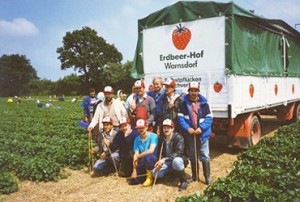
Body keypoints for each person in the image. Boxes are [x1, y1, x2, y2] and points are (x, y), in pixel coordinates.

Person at [178, 82, 213, 185]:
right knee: (193, 155)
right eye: (191, 90)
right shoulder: (183, 104)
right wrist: (187, 128)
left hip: (203, 134)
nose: (193, 92)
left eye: (195, 90)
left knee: (204, 155)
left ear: (198, 91)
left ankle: (207, 177)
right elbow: (180, 118)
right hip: (190, 134)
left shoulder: (205, 104)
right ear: (188, 91)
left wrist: (201, 128)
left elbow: (209, 118)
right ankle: (195, 176)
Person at [152, 119, 188, 191]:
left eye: (168, 127)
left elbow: (179, 152)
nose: (166, 129)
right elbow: (160, 153)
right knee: (155, 173)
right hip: (167, 161)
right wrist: (159, 161)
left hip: (178, 159)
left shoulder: (179, 138)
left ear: (172, 128)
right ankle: (173, 173)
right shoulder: (162, 138)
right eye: (164, 127)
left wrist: (164, 159)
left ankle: (183, 181)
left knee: (176, 161)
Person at [130, 119, 158, 186]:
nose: (140, 130)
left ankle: (150, 177)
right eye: (138, 128)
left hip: (153, 159)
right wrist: (134, 170)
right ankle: (145, 176)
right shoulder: (137, 139)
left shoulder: (154, 136)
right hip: (143, 160)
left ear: (146, 127)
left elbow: (151, 150)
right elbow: (135, 154)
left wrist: (138, 156)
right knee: (134, 181)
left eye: (142, 128)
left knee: (148, 157)